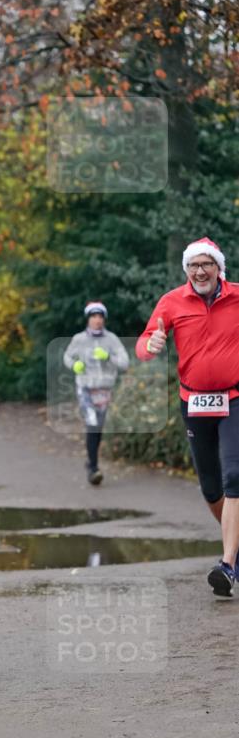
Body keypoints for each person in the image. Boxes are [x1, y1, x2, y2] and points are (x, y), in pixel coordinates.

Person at [136, 237, 239, 597]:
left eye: (206, 264)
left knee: (235, 475)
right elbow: (146, 342)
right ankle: (236, 548)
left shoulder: (237, 297)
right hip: (194, 403)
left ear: (218, 267)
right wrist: (150, 345)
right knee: (212, 487)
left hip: (234, 399)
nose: (199, 271)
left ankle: (228, 563)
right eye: (193, 265)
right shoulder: (172, 302)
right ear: (186, 270)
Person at [63, 302, 129, 485]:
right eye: (93, 317)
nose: (97, 320)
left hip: (103, 389)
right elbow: (67, 356)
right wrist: (74, 365)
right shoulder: (79, 339)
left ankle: (91, 462)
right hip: (85, 387)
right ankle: (93, 468)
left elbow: (125, 362)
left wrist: (108, 357)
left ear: (104, 319)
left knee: (97, 427)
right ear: (88, 319)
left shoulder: (112, 340)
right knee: (92, 423)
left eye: (100, 317)